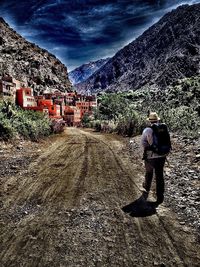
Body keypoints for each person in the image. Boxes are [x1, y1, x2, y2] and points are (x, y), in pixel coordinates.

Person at [141, 112, 170, 206]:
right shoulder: (163, 128)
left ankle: (147, 189)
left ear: (149, 121)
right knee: (159, 175)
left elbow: (143, 144)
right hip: (162, 155)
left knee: (149, 172)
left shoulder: (147, 130)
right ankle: (160, 197)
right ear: (158, 120)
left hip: (151, 156)